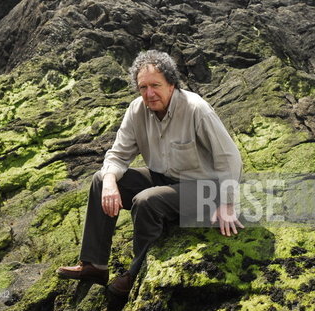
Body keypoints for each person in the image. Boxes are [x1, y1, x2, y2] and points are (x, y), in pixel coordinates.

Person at [57, 50, 243, 296]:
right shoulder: (137, 110)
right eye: (143, 87)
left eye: (155, 85)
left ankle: (135, 273)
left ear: (171, 84)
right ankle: (94, 265)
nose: (149, 93)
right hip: (163, 179)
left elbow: (229, 157)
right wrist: (111, 181)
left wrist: (227, 203)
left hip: (204, 190)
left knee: (147, 201)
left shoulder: (197, 109)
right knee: (101, 179)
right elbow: (118, 154)